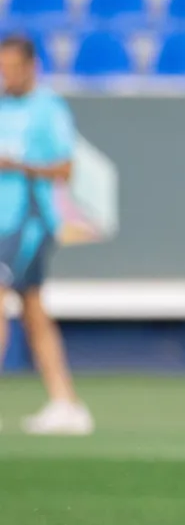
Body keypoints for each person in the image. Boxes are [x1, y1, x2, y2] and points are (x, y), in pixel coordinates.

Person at [0, 35, 93, 436]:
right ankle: (66, 402)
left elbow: (65, 168)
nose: (8, 75)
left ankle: (65, 403)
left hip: (29, 220)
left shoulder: (48, 108)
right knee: (34, 310)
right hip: (2, 219)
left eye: (14, 67)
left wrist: (18, 166)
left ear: (32, 66)